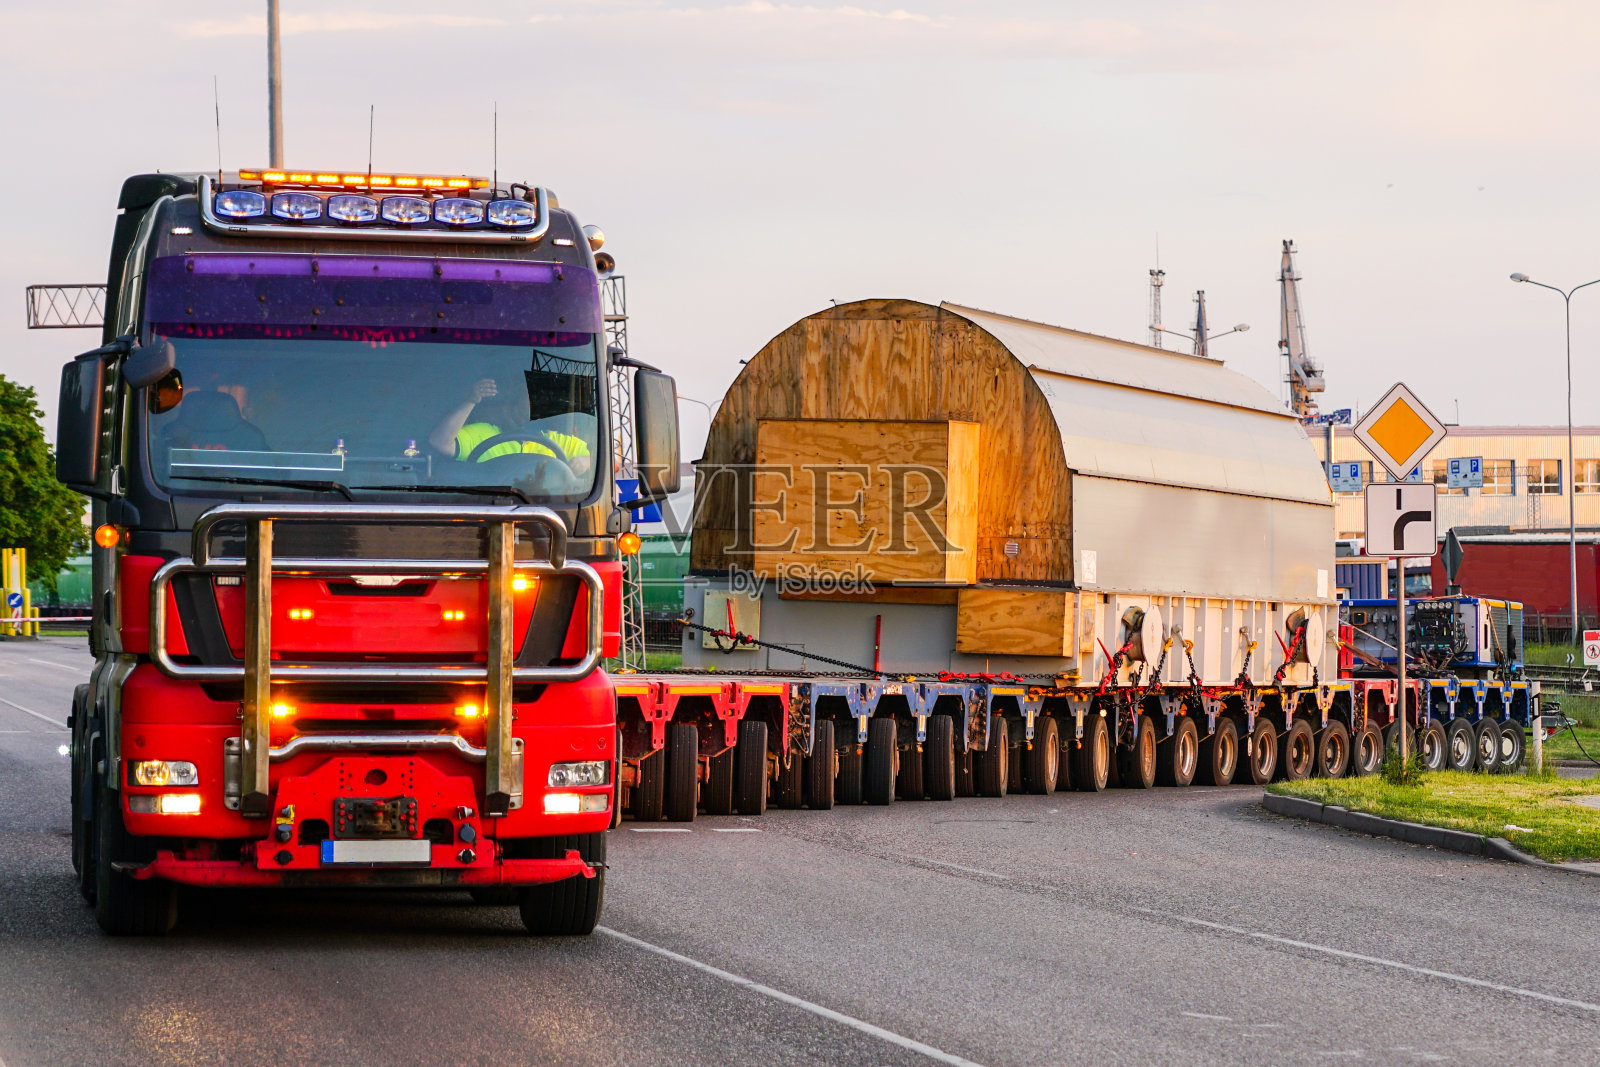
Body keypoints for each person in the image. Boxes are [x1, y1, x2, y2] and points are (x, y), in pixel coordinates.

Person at [428, 377, 592, 475]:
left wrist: (586, 462)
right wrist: (472, 400)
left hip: (545, 513)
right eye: (532, 397)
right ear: (516, 399)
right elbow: (439, 442)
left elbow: (609, 462)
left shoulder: (557, 441)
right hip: (487, 510)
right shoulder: (484, 433)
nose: (540, 404)